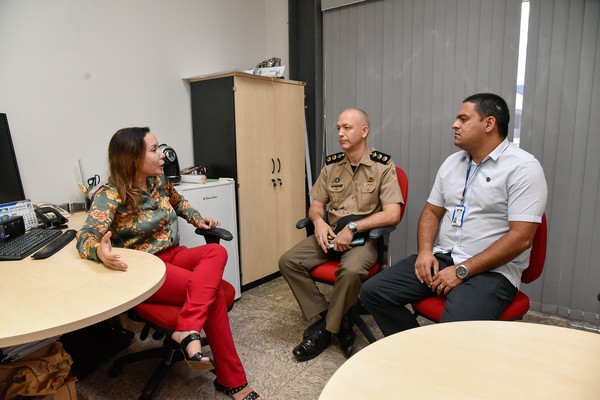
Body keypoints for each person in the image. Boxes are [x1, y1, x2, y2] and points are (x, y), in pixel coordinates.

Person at [76, 127, 260, 400]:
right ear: (132, 158)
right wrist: (100, 252)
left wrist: (198, 219)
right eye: (153, 150)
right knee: (213, 295)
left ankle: (186, 328)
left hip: (174, 254)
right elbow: (86, 237)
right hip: (146, 270)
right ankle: (232, 381)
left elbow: (180, 202)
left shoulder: (157, 181)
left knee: (217, 253)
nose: (162, 155)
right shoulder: (110, 193)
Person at [360, 93, 548, 336]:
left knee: (453, 332)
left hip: (492, 272)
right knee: (373, 292)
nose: (454, 124)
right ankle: (415, 353)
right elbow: (431, 211)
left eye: (463, 119)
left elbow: (522, 238)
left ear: (489, 124)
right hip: (444, 258)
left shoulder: (523, 168)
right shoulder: (452, 163)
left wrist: (463, 271)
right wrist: (426, 251)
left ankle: (443, 364)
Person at [279, 108, 403, 361]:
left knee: (352, 270)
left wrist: (355, 227)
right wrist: (319, 223)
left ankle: (326, 331)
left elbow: (392, 214)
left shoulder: (382, 166)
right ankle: (335, 316)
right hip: (332, 234)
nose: (340, 133)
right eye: (338, 128)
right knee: (288, 261)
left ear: (364, 131)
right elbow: (316, 204)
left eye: (347, 127)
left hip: (363, 238)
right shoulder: (331, 165)